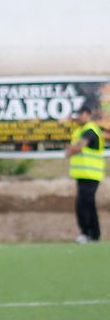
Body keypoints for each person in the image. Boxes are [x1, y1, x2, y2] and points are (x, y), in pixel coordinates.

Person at [64, 104, 104, 243]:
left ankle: (89, 233)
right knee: (85, 203)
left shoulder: (90, 130)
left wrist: (71, 149)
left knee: (84, 204)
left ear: (87, 114)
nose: (78, 117)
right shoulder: (82, 130)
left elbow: (79, 146)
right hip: (83, 174)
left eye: (80, 115)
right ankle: (92, 234)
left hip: (91, 174)